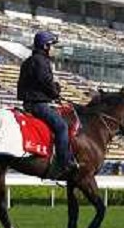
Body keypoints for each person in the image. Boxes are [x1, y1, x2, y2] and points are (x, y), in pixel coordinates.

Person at [17, 30, 79, 179]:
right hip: (38, 105)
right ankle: (64, 162)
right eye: (53, 46)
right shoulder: (41, 61)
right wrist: (55, 92)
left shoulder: (29, 61)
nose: (54, 49)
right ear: (46, 46)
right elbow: (46, 82)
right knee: (62, 126)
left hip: (31, 102)